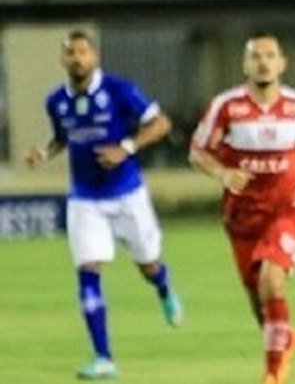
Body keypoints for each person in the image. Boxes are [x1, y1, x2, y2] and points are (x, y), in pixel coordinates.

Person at [190, 32, 295, 384]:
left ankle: (273, 374)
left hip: (286, 208)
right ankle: (284, 338)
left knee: (272, 280)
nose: (263, 61)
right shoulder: (227, 107)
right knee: (259, 302)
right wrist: (222, 172)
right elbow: (197, 152)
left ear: (282, 63)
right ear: (245, 64)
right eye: (256, 56)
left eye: (270, 55)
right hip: (241, 215)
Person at [23, 29, 183, 381]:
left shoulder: (119, 90)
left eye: (82, 51)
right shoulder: (56, 101)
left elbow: (161, 124)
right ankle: (103, 357)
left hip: (127, 195)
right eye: (70, 53)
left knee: (148, 265)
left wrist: (125, 148)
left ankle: (164, 288)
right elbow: (63, 138)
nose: (77, 58)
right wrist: (44, 152)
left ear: (94, 57)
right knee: (87, 271)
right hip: (85, 199)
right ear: (62, 60)